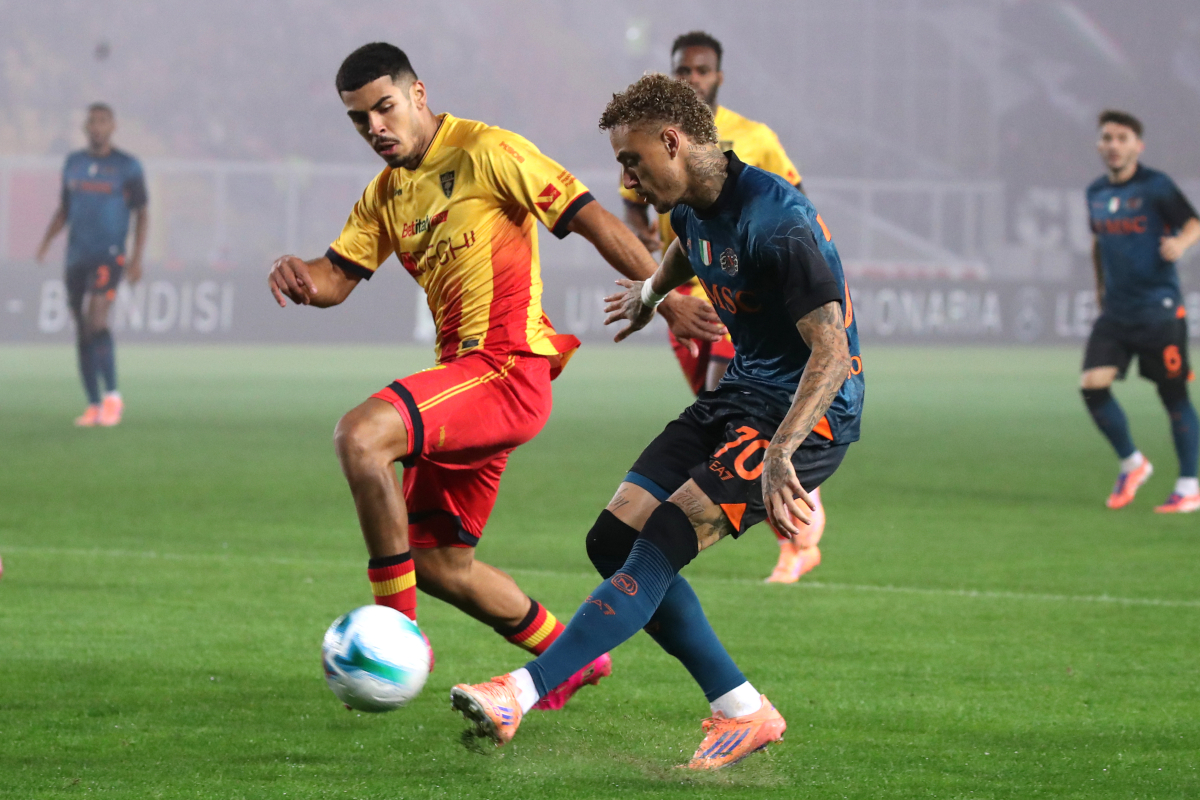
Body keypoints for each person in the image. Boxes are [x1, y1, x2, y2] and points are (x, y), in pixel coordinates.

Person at [266, 44, 722, 708]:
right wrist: (299, 275)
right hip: (467, 382)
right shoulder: (386, 195)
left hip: (507, 368)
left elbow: (591, 218)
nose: (376, 128)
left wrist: (664, 297)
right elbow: (335, 278)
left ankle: (392, 638)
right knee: (434, 563)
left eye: (385, 108)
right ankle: (571, 662)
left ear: (418, 94)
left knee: (360, 437)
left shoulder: (489, 151)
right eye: (360, 120)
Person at [450, 73, 864, 769]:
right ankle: (742, 709)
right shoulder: (692, 209)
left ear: (672, 141)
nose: (627, 179)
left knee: (665, 536)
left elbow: (832, 351)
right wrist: (650, 293)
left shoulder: (777, 219)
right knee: (613, 539)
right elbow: (685, 246)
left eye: (632, 160)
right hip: (739, 396)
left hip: (808, 416)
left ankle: (518, 692)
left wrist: (782, 452)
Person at [624, 31, 823, 584]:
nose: (692, 79)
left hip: (738, 298)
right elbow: (636, 211)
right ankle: (799, 496)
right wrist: (647, 260)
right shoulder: (647, 141)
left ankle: (796, 531)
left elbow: (798, 208)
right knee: (722, 414)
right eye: (682, 70)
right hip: (684, 298)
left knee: (734, 413)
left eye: (701, 70)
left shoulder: (755, 138)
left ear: (719, 76)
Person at [1081, 110, 1200, 512]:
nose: (1113, 145)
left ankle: (1188, 485)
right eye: (1107, 138)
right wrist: (1099, 287)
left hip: (1158, 310)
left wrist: (1181, 244)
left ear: (1138, 146)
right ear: (1099, 145)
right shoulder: (1096, 192)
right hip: (1117, 311)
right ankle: (1133, 464)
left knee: (1173, 394)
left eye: (1122, 138)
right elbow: (1098, 243)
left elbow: (1193, 223)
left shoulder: (1156, 186)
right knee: (1092, 385)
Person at [36, 103, 148, 427]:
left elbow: (142, 213)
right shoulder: (74, 164)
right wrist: (46, 242)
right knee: (82, 328)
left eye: (102, 121)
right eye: (92, 122)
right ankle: (93, 404)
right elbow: (64, 209)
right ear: (85, 128)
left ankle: (113, 396)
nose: (97, 127)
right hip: (77, 256)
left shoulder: (127, 167)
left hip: (109, 254)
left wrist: (136, 258)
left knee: (97, 319)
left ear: (113, 126)